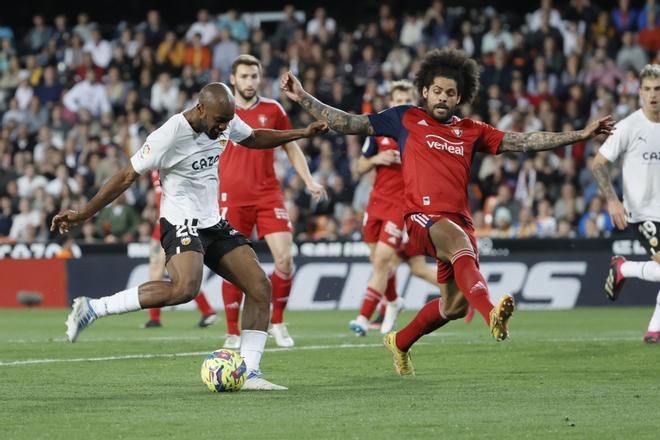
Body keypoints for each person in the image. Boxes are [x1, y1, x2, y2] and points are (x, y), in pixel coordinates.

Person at [281, 48, 614, 375]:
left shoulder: (471, 130)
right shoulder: (404, 118)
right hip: (421, 218)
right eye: (437, 91)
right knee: (460, 248)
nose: (442, 97)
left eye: (450, 93)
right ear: (425, 91)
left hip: (459, 221)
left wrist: (580, 135)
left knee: (453, 306)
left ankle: (400, 341)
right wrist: (303, 97)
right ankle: (492, 315)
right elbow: (348, 123)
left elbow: (525, 141)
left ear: (459, 98)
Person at [52, 82, 328, 390]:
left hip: (212, 220)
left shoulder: (225, 118)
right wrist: (84, 213)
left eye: (227, 122)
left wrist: (301, 134)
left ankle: (249, 372)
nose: (224, 128)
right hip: (180, 220)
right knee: (185, 288)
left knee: (260, 287)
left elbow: (252, 138)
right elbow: (126, 176)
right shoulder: (169, 134)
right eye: (219, 122)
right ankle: (92, 308)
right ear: (200, 110)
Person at [219, 55, 326, 349]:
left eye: (254, 76)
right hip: (230, 196)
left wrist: (309, 181)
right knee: (231, 265)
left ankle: (276, 321)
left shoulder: (273, 109)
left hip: (268, 194)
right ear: (233, 79)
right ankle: (232, 331)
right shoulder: (221, 112)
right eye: (244, 76)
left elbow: (291, 148)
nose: (250, 82)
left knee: (285, 258)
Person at [350, 80, 435, 337]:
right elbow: (359, 168)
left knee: (383, 261)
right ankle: (394, 301)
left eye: (405, 100)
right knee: (380, 262)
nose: (401, 105)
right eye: (397, 101)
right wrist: (377, 158)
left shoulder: (420, 134)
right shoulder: (379, 132)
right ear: (391, 104)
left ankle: (363, 317)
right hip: (375, 203)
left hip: (400, 205)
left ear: (414, 102)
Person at [593, 64, 660, 343]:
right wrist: (612, 200)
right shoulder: (629, 126)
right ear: (639, 92)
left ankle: (654, 329)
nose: (653, 95)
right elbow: (598, 164)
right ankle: (625, 269)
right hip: (642, 212)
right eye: (647, 89)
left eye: (658, 89)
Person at [143, 169, 218, 329]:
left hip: (177, 221)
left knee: (179, 275)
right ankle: (206, 311)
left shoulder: (174, 159)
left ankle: (155, 319)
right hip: (161, 224)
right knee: (163, 274)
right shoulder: (154, 165)